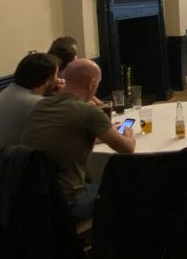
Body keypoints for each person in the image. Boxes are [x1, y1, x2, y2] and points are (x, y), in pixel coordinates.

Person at [19, 59, 136, 218]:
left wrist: (101, 135)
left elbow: (66, 136)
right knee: (127, 192)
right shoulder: (88, 111)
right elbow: (127, 149)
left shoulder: (41, 106)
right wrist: (128, 134)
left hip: (30, 197)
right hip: (67, 200)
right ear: (91, 83)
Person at [0, 52, 60, 188]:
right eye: (56, 76)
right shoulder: (32, 103)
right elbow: (73, 130)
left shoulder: (11, 91)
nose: (59, 80)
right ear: (47, 80)